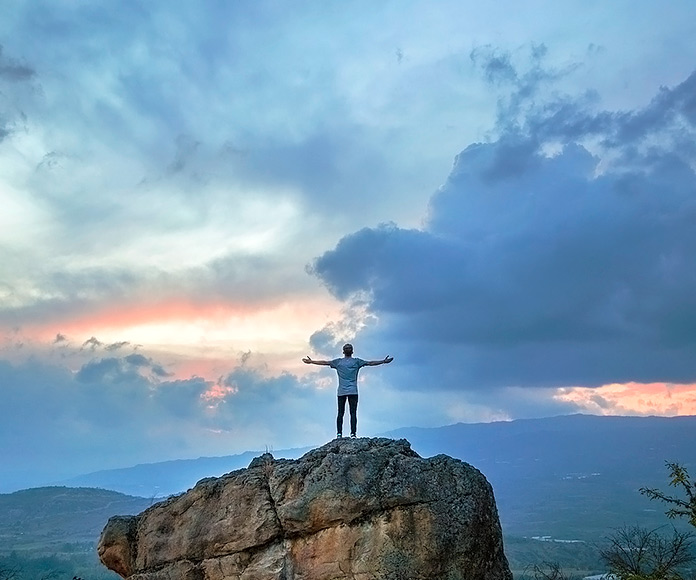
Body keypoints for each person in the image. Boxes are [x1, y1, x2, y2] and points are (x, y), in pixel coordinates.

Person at [302, 343, 393, 439]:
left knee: (340, 413)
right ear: (352, 351)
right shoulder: (357, 362)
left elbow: (325, 362)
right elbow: (370, 363)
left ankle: (339, 434)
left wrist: (311, 362)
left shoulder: (338, 362)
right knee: (353, 413)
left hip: (342, 392)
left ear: (343, 352)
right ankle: (353, 434)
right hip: (353, 391)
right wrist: (383, 361)